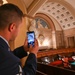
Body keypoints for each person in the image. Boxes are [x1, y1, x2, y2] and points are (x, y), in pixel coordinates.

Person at [0, 3, 39, 75]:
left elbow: (8, 54)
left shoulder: (3, 48)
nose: (19, 31)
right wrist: (33, 54)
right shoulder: (10, 62)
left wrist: (23, 49)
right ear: (12, 27)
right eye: (20, 27)